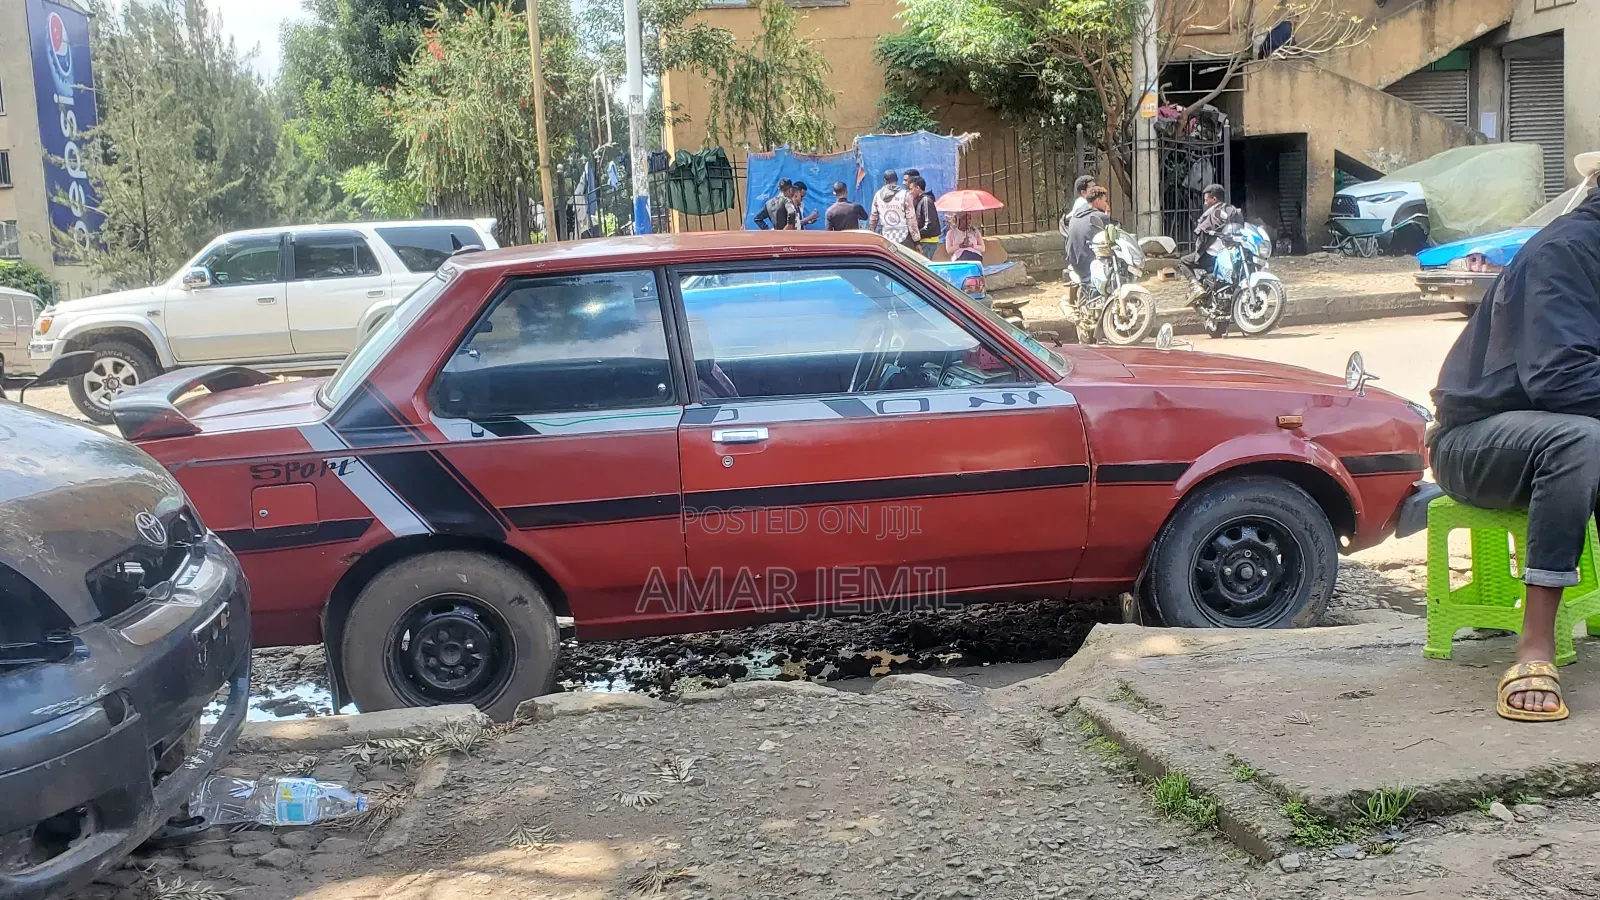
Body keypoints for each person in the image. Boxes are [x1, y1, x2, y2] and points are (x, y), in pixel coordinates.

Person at [1428, 185, 1600, 722]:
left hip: (1555, 432)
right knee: (1580, 440)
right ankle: (1534, 646)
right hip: (1473, 440)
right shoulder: (1565, 251)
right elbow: (1562, 380)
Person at [1181, 183, 1242, 291]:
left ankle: (1196, 287)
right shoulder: (1232, 210)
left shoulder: (1214, 214)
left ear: (1214, 199)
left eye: (1206, 200)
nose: (1205, 203)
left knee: (1183, 262)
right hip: (1231, 253)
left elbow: (1202, 233)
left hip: (1212, 255)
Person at [869, 170, 915, 248]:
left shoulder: (878, 195)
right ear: (897, 180)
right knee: (904, 259)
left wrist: (871, 232)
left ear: (884, 181)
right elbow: (911, 219)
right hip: (904, 236)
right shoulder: (905, 195)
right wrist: (916, 240)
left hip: (886, 236)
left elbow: (873, 218)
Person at [907, 174, 941, 259]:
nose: (910, 192)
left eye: (911, 189)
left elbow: (929, 225)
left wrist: (915, 236)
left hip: (927, 242)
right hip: (923, 241)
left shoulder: (926, 200)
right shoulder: (919, 201)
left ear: (917, 188)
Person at [1059, 175, 1098, 240]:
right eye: (1093, 188)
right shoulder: (1084, 205)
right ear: (1083, 192)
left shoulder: (1081, 203)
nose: (1097, 190)